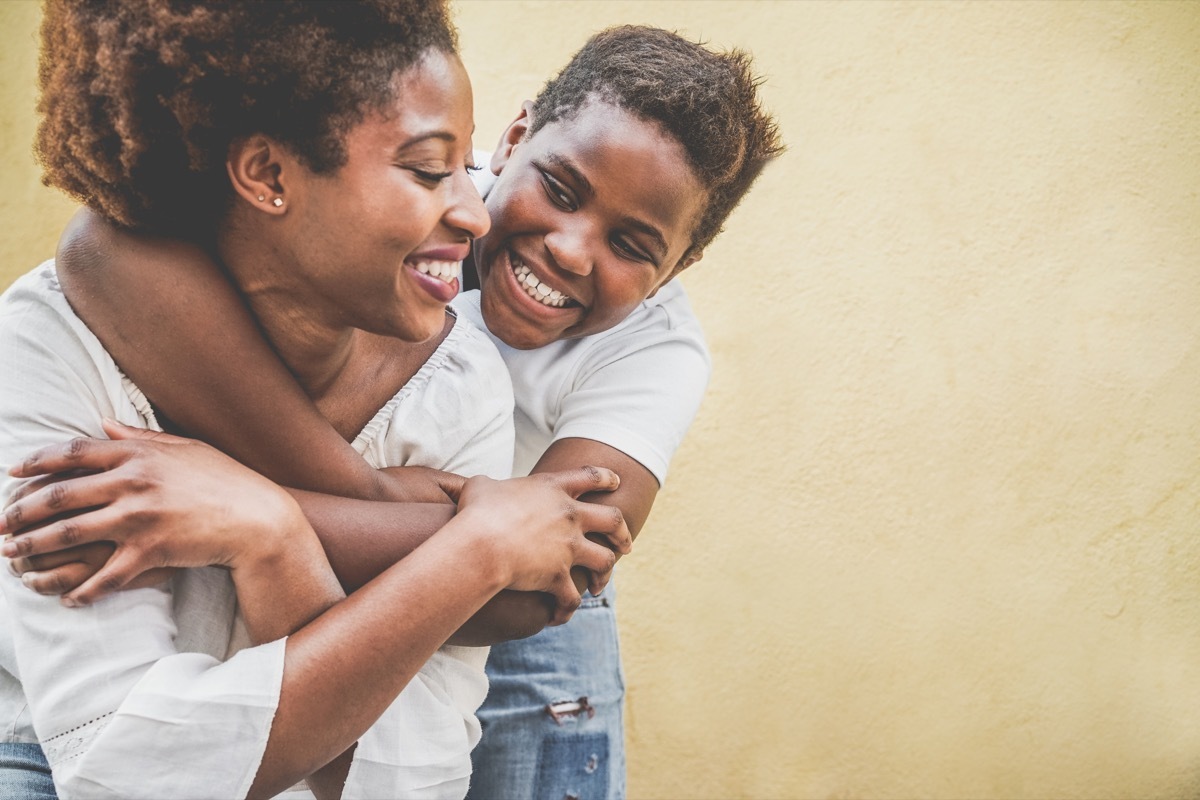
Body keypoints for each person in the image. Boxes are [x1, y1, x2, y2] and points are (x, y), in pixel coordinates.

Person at [10, 23, 783, 800]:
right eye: (559, 191)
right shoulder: (405, 187)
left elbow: (554, 569)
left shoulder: (648, 351)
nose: (571, 250)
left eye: (634, 245)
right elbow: (97, 252)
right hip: (462, 539)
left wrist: (263, 515)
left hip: (516, 606)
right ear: (513, 141)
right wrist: (382, 505)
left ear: (681, 264)